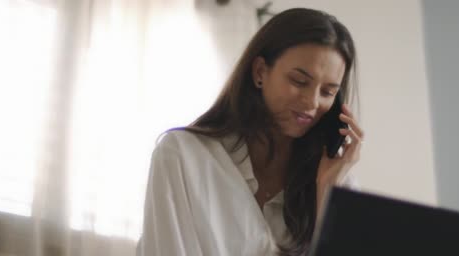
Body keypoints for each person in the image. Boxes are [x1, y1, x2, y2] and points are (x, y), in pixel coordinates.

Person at [136, 7, 363, 256]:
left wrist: (329, 194)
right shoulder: (181, 156)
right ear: (259, 72)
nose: (311, 103)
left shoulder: (334, 180)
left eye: (328, 92)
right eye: (299, 81)